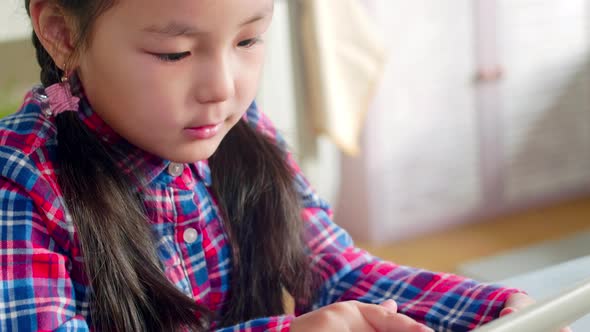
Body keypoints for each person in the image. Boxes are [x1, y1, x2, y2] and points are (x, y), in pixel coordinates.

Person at [0, 0, 553, 331]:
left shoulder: (243, 131)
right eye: (175, 53)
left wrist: (503, 309)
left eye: (248, 39)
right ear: (62, 32)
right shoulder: (20, 182)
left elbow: (337, 270)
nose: (223, 88)